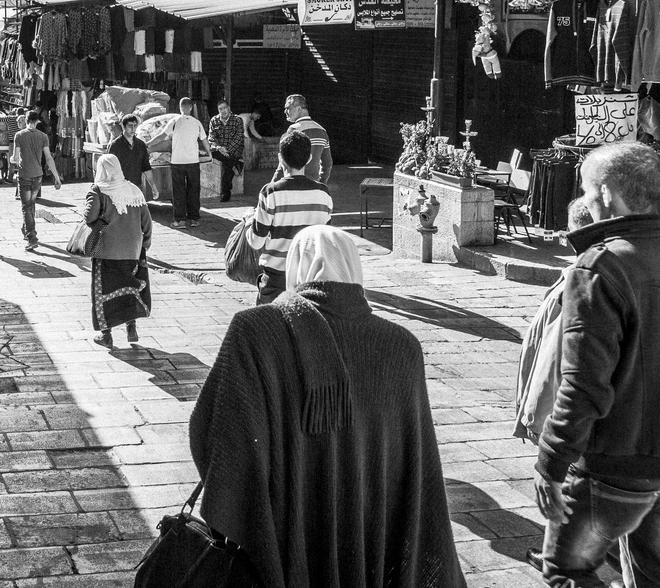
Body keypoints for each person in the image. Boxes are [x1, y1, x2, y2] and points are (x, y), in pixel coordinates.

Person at [190, 226, 465, 588]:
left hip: (286, 535)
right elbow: (416, 480)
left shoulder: (255, 330)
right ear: (354, 269)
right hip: (371, 541)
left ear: (295, 268)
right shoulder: (403, 347)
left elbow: (211, 432)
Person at [534, 142, 660, 588]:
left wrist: (551, 463)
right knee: (653, 575)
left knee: (568, 571)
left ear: (608, 194)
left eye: (587, 190)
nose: (585, 201)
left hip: (613, 464)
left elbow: (583, 386)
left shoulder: (599, 268)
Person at [245, 129, 334, 304]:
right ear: (309, 159)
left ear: (280, 158)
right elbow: (326, 240)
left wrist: (249, 221)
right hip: (310, 281)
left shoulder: (270, 192)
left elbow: (256, 241)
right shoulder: (323, 193)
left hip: (276, 279)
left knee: (270, 329)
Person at [86, 154, 152, 347]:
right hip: (132, 251)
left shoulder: (98, 190)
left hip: (107, 251)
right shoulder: (134, 190)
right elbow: (146, 221)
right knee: (129, 288)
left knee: (103, 293)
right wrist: (145, 243)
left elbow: (90, 217)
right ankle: (131, 328)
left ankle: (106, 335)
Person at [12, 111, 61, 249]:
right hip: (38, 176)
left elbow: (15, 158)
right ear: (37, 121)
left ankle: (32, 237)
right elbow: (49, 158)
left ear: (26, 121)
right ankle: (26, 228)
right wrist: (56, 177)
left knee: (26, 207)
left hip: (24, 175)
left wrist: (12, 160)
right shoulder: (43, 136)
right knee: (31, 204)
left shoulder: (19, 135)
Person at [166, 98, 208, 227]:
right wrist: (209, 153)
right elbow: (205, 140)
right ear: (191, 108)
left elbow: (163, 136)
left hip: (177, 161)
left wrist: (149, 144)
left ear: (180, 108)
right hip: (193, 161)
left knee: (179, 191)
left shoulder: (174, 121)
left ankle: (180, 220)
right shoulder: (197, 123)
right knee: (193, 190)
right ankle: (194, 219)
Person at [272, 94, 332, 185]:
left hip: (294, 185)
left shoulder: (293, 130)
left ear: (299, 109)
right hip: (313, 185)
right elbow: (327, 164)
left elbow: (284, 162)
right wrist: (322, 183)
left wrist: (273, 183)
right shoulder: (322, 131)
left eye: (288, 108)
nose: (285, 111)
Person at [208, 98, 246, 203]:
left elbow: (239, 138)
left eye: (225, 108)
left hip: (233, 150)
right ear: (218, 110)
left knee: (227, 167)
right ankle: (235, 164)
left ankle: (226, 193)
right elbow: (211, 138)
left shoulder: (237, 120)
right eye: (220, 109)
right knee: (212, 152)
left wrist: (227, 150)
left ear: (229, 108)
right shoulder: (214, 121)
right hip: (219, 150)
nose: (223, 111)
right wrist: (219, 147)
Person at [108, 114, 151, 190]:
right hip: (119, 187)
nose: (133, 129)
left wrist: (153, 187)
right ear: (123, 126)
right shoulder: (115, 146)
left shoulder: (140, 145)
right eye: (130, 126)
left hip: (136, 186)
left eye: (135, 125)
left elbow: (146, 167)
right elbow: (109, 168)